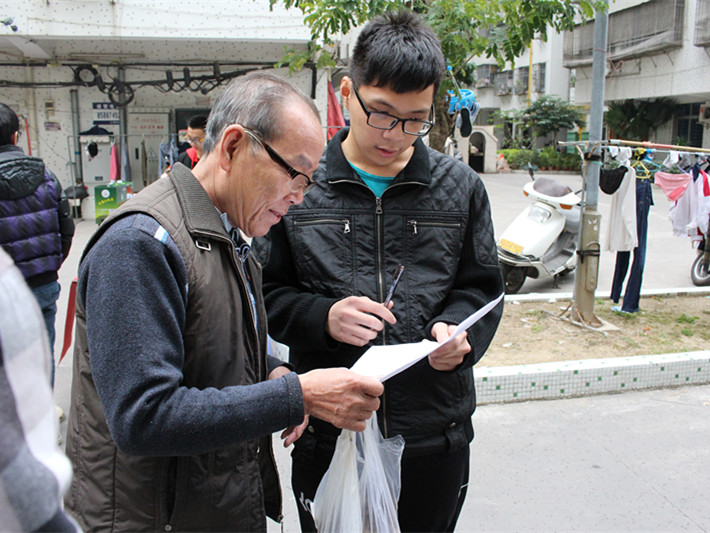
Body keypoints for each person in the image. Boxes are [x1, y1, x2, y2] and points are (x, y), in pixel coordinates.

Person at [63, 71, 384, 532]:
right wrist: (298, 395)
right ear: (233, 147)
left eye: (309, 181)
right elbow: (144, 416)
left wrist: (272, 371)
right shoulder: (140, 244)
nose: (299, 197)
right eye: (294, 174)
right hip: (154, 518)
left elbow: (208, 345)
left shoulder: (226, 231)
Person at [252, 10, 504, 532]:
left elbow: (481, 290)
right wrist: (323, 316)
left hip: (433, 434)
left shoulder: (459, 188)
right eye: (383, 114)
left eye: (416, 120)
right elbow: (264, 295)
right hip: (332, 429)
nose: (397, 135)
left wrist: (457, 335)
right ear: (348, 92)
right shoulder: (300, 185)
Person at [0, 247, 80, 532]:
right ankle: (44, 423)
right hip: (40, 276)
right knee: (40, 358)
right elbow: (64, 229)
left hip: (24, 276)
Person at [0, 102, 75, 388]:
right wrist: (49, 266)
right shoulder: (47, 176)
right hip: (42, 284)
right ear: (15, 136)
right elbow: (66, 230)